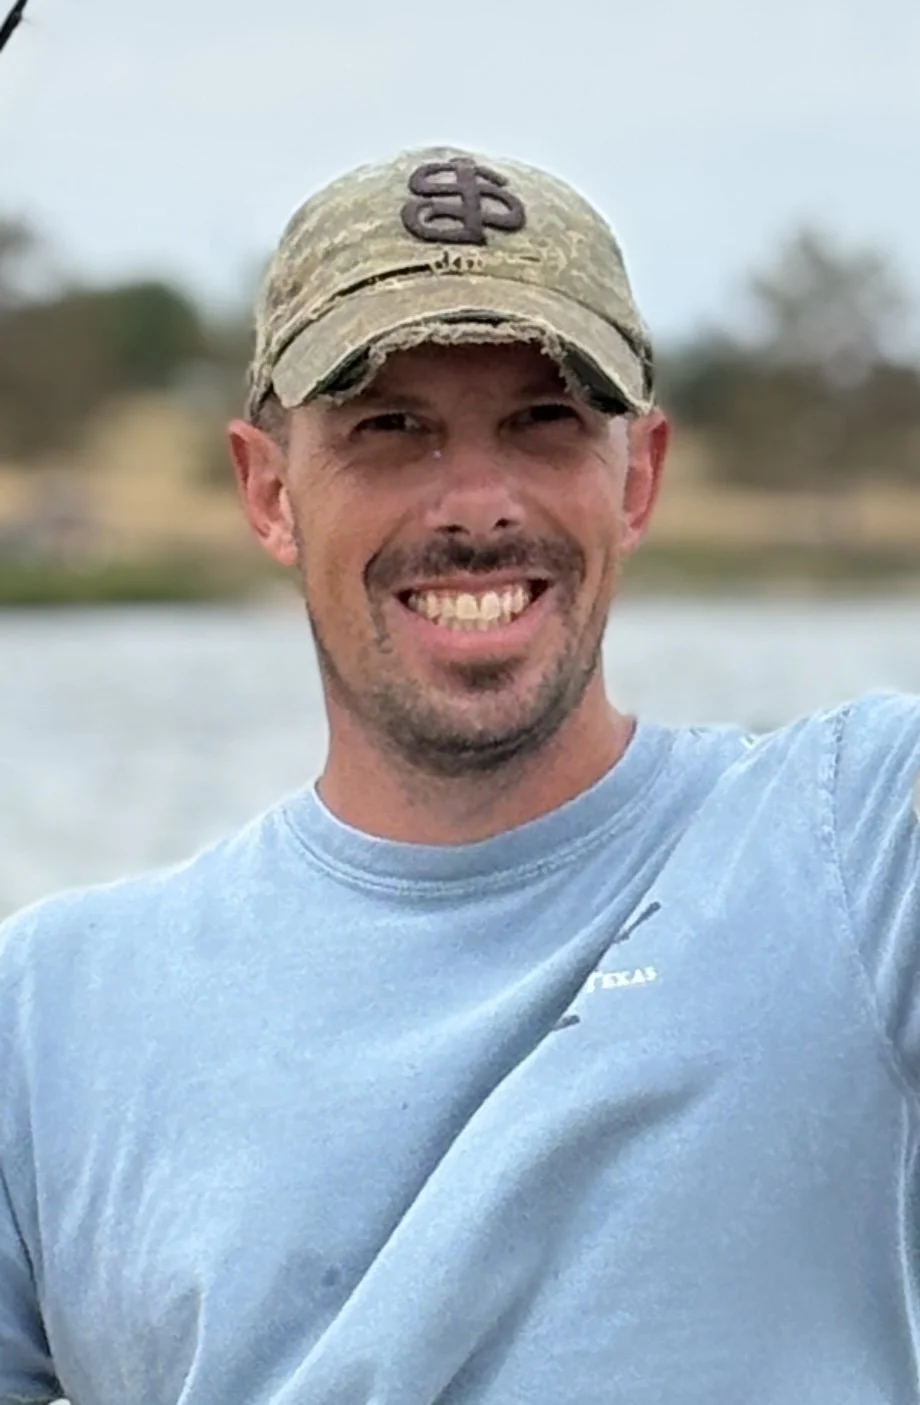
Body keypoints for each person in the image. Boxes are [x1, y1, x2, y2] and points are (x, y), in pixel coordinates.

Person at [2, 146, 920, 1405]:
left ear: (637, 475)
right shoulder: (46, 1014)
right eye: (392, 427)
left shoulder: (863, 843)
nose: (477, 504)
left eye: (542, 421)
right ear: (268, 492)